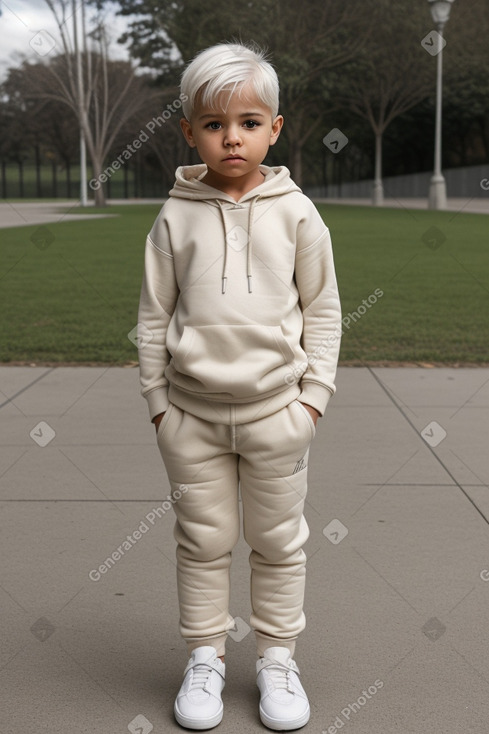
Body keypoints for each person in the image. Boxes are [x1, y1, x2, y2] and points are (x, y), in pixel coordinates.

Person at [137, 41, 342, 731]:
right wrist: (159, 406)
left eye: (249, 122)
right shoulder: (173, 216)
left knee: (279, 541)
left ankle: (277, 659)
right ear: (190, 130)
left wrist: (311, 398)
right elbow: (151, 316)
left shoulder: (297, 213)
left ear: (275, 129)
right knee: (202, 541)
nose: (232, 137)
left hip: (276, 414)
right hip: (189, 419)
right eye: (215, 123)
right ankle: (205, 659)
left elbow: (323, 309)